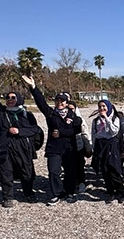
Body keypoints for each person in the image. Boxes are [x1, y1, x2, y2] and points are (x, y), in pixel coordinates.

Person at [0, 65, 39, 207]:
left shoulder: (27, 114)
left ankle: (28, 192)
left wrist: (20, 132)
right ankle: (7, 197)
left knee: (27, 172)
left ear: (19, 99)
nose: (9, 99)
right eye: (7, 97)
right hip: (5, 147)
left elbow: (35, 129)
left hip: (22, 147)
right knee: (6, 173)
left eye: (13, 97)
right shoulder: (1, 112)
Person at [23, 75, 82, 206]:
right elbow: (41, 103)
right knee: (53, 171)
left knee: (70, 172)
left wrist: (61, 133)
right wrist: (33, 87)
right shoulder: (51, 114)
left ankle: (70, 192)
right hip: (54, 148)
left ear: (67, 103)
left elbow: (77, 130)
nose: (59, 103)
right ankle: (57, 193)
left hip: (69, 149)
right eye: (57, 100)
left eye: (62, 101)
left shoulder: (74, 115)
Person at [91, 100, 124, 204]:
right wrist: (93, 148)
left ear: (109, 107)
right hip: (100, 145)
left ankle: (122, 192)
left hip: (111, 145)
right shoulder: (95, 121)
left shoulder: (115, 118)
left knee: (113, 169)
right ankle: (110, 192)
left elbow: (114, 131)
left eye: (104, 106)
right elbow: (93, 135)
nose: (102, 108)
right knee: (104, 170)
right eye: (100, 107)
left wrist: (107, 119)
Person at [67, 100, 92, 193]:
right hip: (66, 147)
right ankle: (71, 184)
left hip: (78, 146)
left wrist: (89, 148)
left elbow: (85, 134)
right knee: (69, 167)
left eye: (72, 109)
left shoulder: (79, 119)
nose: (70, 110)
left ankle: (81, 183)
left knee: (80, 166)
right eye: (68, 108)